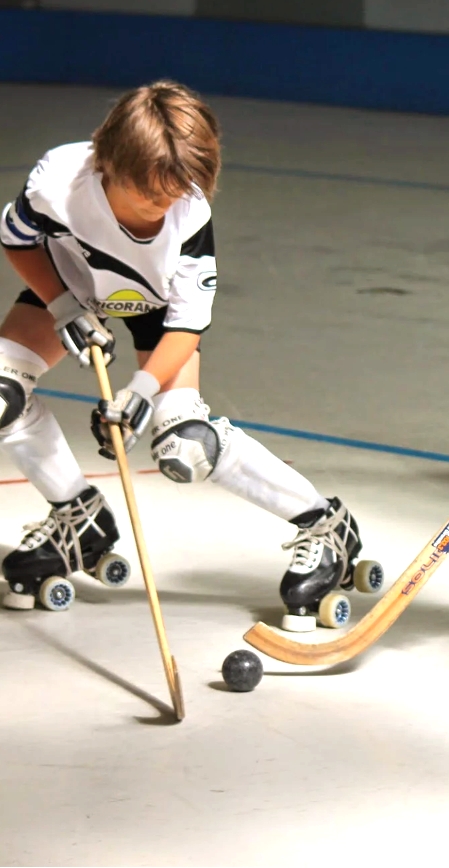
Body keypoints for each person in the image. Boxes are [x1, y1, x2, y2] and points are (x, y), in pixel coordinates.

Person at [0, 81, 380, 630]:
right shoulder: (60, 180)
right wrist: (63, 307)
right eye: (149, 195)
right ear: (107, 163)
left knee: (185, 445)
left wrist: (141, 393)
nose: (164, 205)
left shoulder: (188, 212)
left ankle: (325, 525)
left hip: (159, 309)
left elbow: (187, 321)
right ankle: (78, 519)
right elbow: (17, 241)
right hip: (72, 286)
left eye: (175, 193)